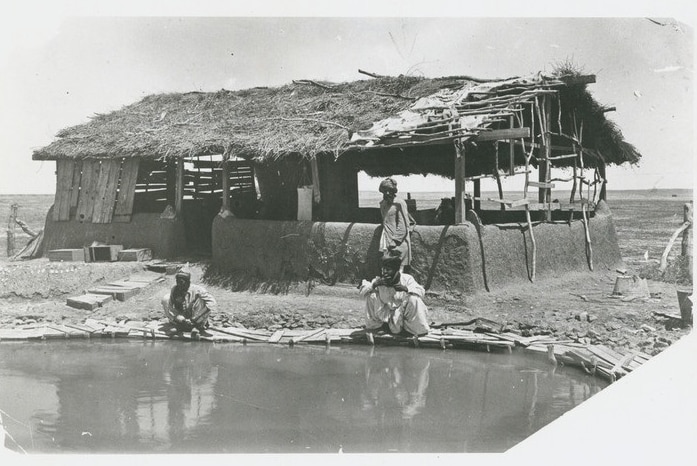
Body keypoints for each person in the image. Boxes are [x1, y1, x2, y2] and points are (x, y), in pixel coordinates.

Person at [358, 255, 430, 337]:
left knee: (414, 299)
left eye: (388, 270)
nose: (384, 272)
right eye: (383, 269)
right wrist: (374, 285)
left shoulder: (407, 279)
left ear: (396, 270)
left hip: (401, 315)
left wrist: (406, 288)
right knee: (371, 295)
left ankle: (411, 329)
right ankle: (378, 327)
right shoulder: (379, 281)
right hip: (385, 316)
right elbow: (362, 294)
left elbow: (421, 292)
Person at [161, 266, 217, 336]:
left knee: (202, 300)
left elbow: (212, 303)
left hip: (196, 317)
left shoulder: (198, 290)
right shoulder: (175, 289)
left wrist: (196, 317)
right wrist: (178, 317)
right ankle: (180, 326)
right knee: (165, 298)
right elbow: (171, 308)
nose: (179, 284)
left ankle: (197, 327)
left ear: (188, 282)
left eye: (182, 282)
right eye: (177, 281)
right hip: (182, 318)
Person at [378, 177, 415, 271]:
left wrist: (395, 241)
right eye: (384, 191)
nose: (387, 193)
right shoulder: (383, 204)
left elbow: (403, 225)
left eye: (389, 191)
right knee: (386, 267)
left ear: (393, 191)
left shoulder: (399, 203)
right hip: (386, 239)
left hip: (398, 242)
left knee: (398, 270)